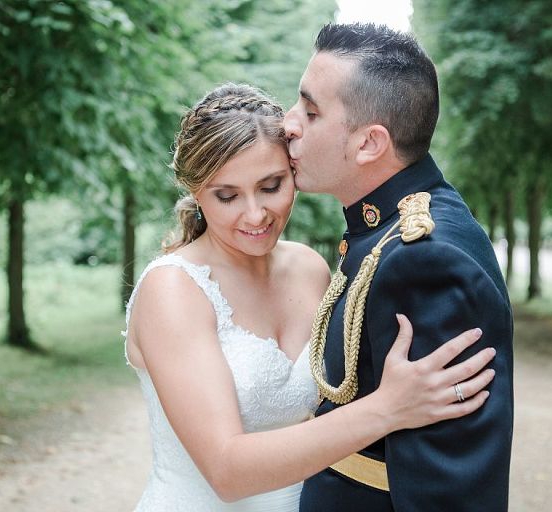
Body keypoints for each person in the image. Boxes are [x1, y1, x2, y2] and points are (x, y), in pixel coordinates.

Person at [123, 83, 497, 511]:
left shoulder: (309, 268)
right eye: (227, 196)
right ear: (196, 193)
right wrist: (389, 407)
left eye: (271, 186)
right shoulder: (172, 289)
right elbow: (226, 471)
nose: (255, 214)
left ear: (293, 171)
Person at [284, 24, 514, 511]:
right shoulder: (386, 229)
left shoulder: (426, 259)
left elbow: (449, 487)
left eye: (311, 111)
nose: (289, 123)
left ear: (370, 143)